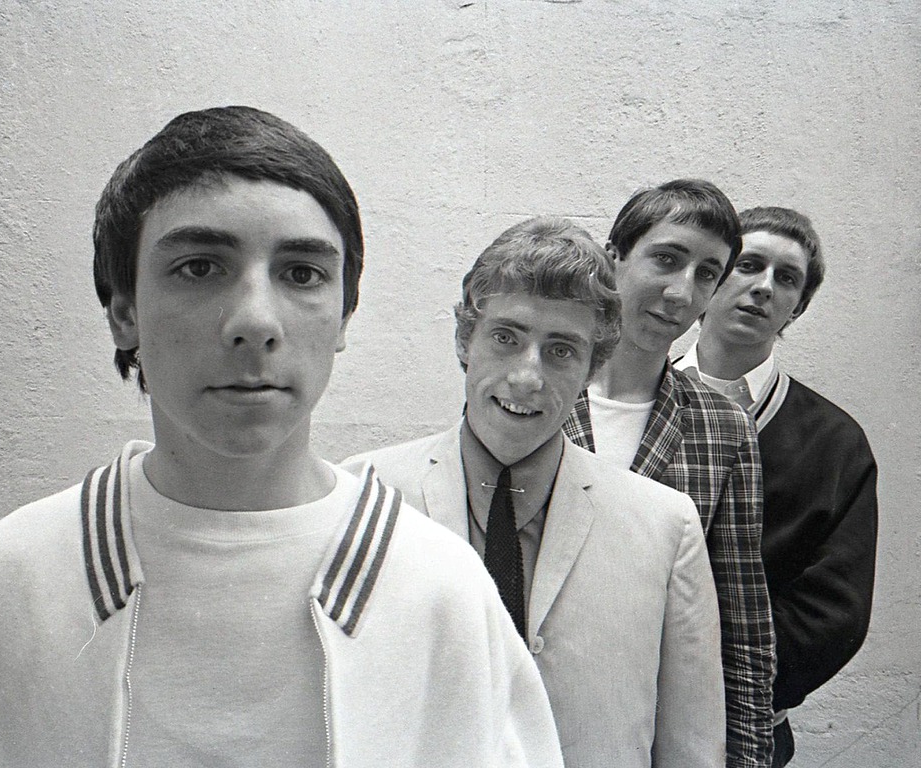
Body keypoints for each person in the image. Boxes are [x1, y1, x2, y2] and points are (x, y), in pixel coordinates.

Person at [0, 106, 564, 768]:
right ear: (124, 311)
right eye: (200, 267)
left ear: (342, 316)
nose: (255, 321)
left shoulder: (438, 588)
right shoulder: (15, 577)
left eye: (301, 274)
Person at [344, 217, 726, 768]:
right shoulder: (364, 495)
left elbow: (692, 747)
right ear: (464, 340)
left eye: (561, 350)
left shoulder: (666, 526)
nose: (527, 377)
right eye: (506, 338)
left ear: (592, 367)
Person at [562, 180, 775, 768]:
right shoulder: (537, 398)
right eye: (666, 258)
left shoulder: (722, 427)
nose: (681, 292)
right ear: (614, 257)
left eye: (707, 274)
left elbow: (741, 623)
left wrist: (745, 758)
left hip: (648, 730)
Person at [674, 206, 878, 767]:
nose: (764, 286)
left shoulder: (835, 443)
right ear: (710, 278)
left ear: (798, 306)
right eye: (748, 265)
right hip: (615, 716)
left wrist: (717, 684)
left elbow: (833, 614)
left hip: (747, 731)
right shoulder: (632, 403)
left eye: (786, 278)